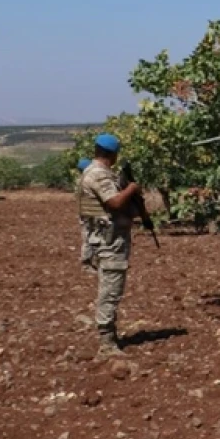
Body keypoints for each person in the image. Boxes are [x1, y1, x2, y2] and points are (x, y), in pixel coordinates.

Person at [78, 135, 140, 355]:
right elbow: (114, 202)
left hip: (107, 239)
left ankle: (109, 336)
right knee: (110, 291)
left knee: (112, 288)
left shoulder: (92, 172)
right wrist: (132, 188)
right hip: (109, 242)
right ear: (111, 154)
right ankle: (107, 343)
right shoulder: (98, 174)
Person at [75, 157, 94, 274]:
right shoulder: (85, 181)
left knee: (89, 236)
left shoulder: (81, 180)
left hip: (85, 212)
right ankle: (86, 263)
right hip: (87, 213)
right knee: (88, 237)